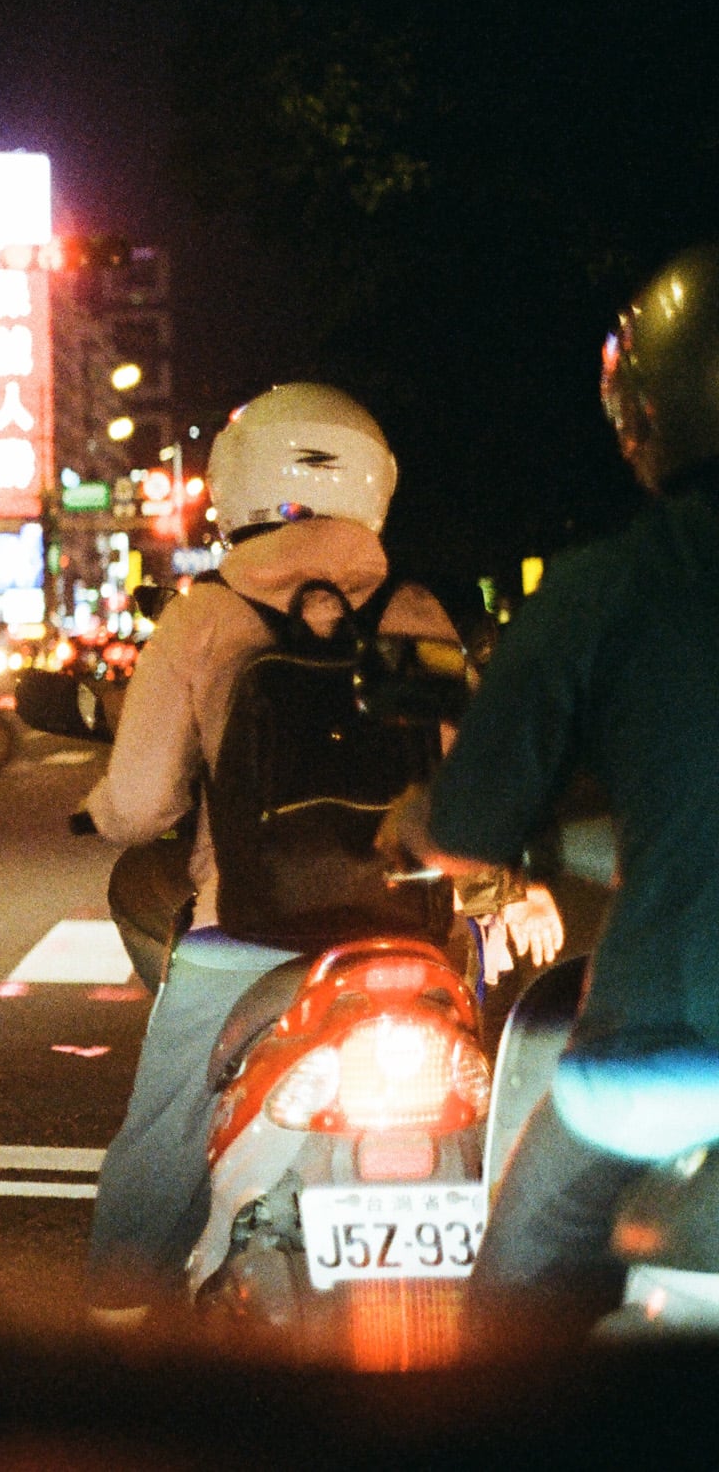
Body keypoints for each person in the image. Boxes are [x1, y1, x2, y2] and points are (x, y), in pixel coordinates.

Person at [78, 382, 561, 1321]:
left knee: (161, 1132)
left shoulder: (201, 616)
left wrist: (104, 809)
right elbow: (474, 791)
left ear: (234, 484)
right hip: (413, 933)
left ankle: (116, 1323)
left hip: (246, 938)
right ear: (375, 484)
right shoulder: (415, 610)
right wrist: (504, 888)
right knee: (486, 1107)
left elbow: (139, 806)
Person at [411, 244, 719, 1330]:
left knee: (502, 1325)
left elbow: (467, 823)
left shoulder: (608, 587)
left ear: (644, 416)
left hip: (665, 1061)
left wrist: (427, 824)